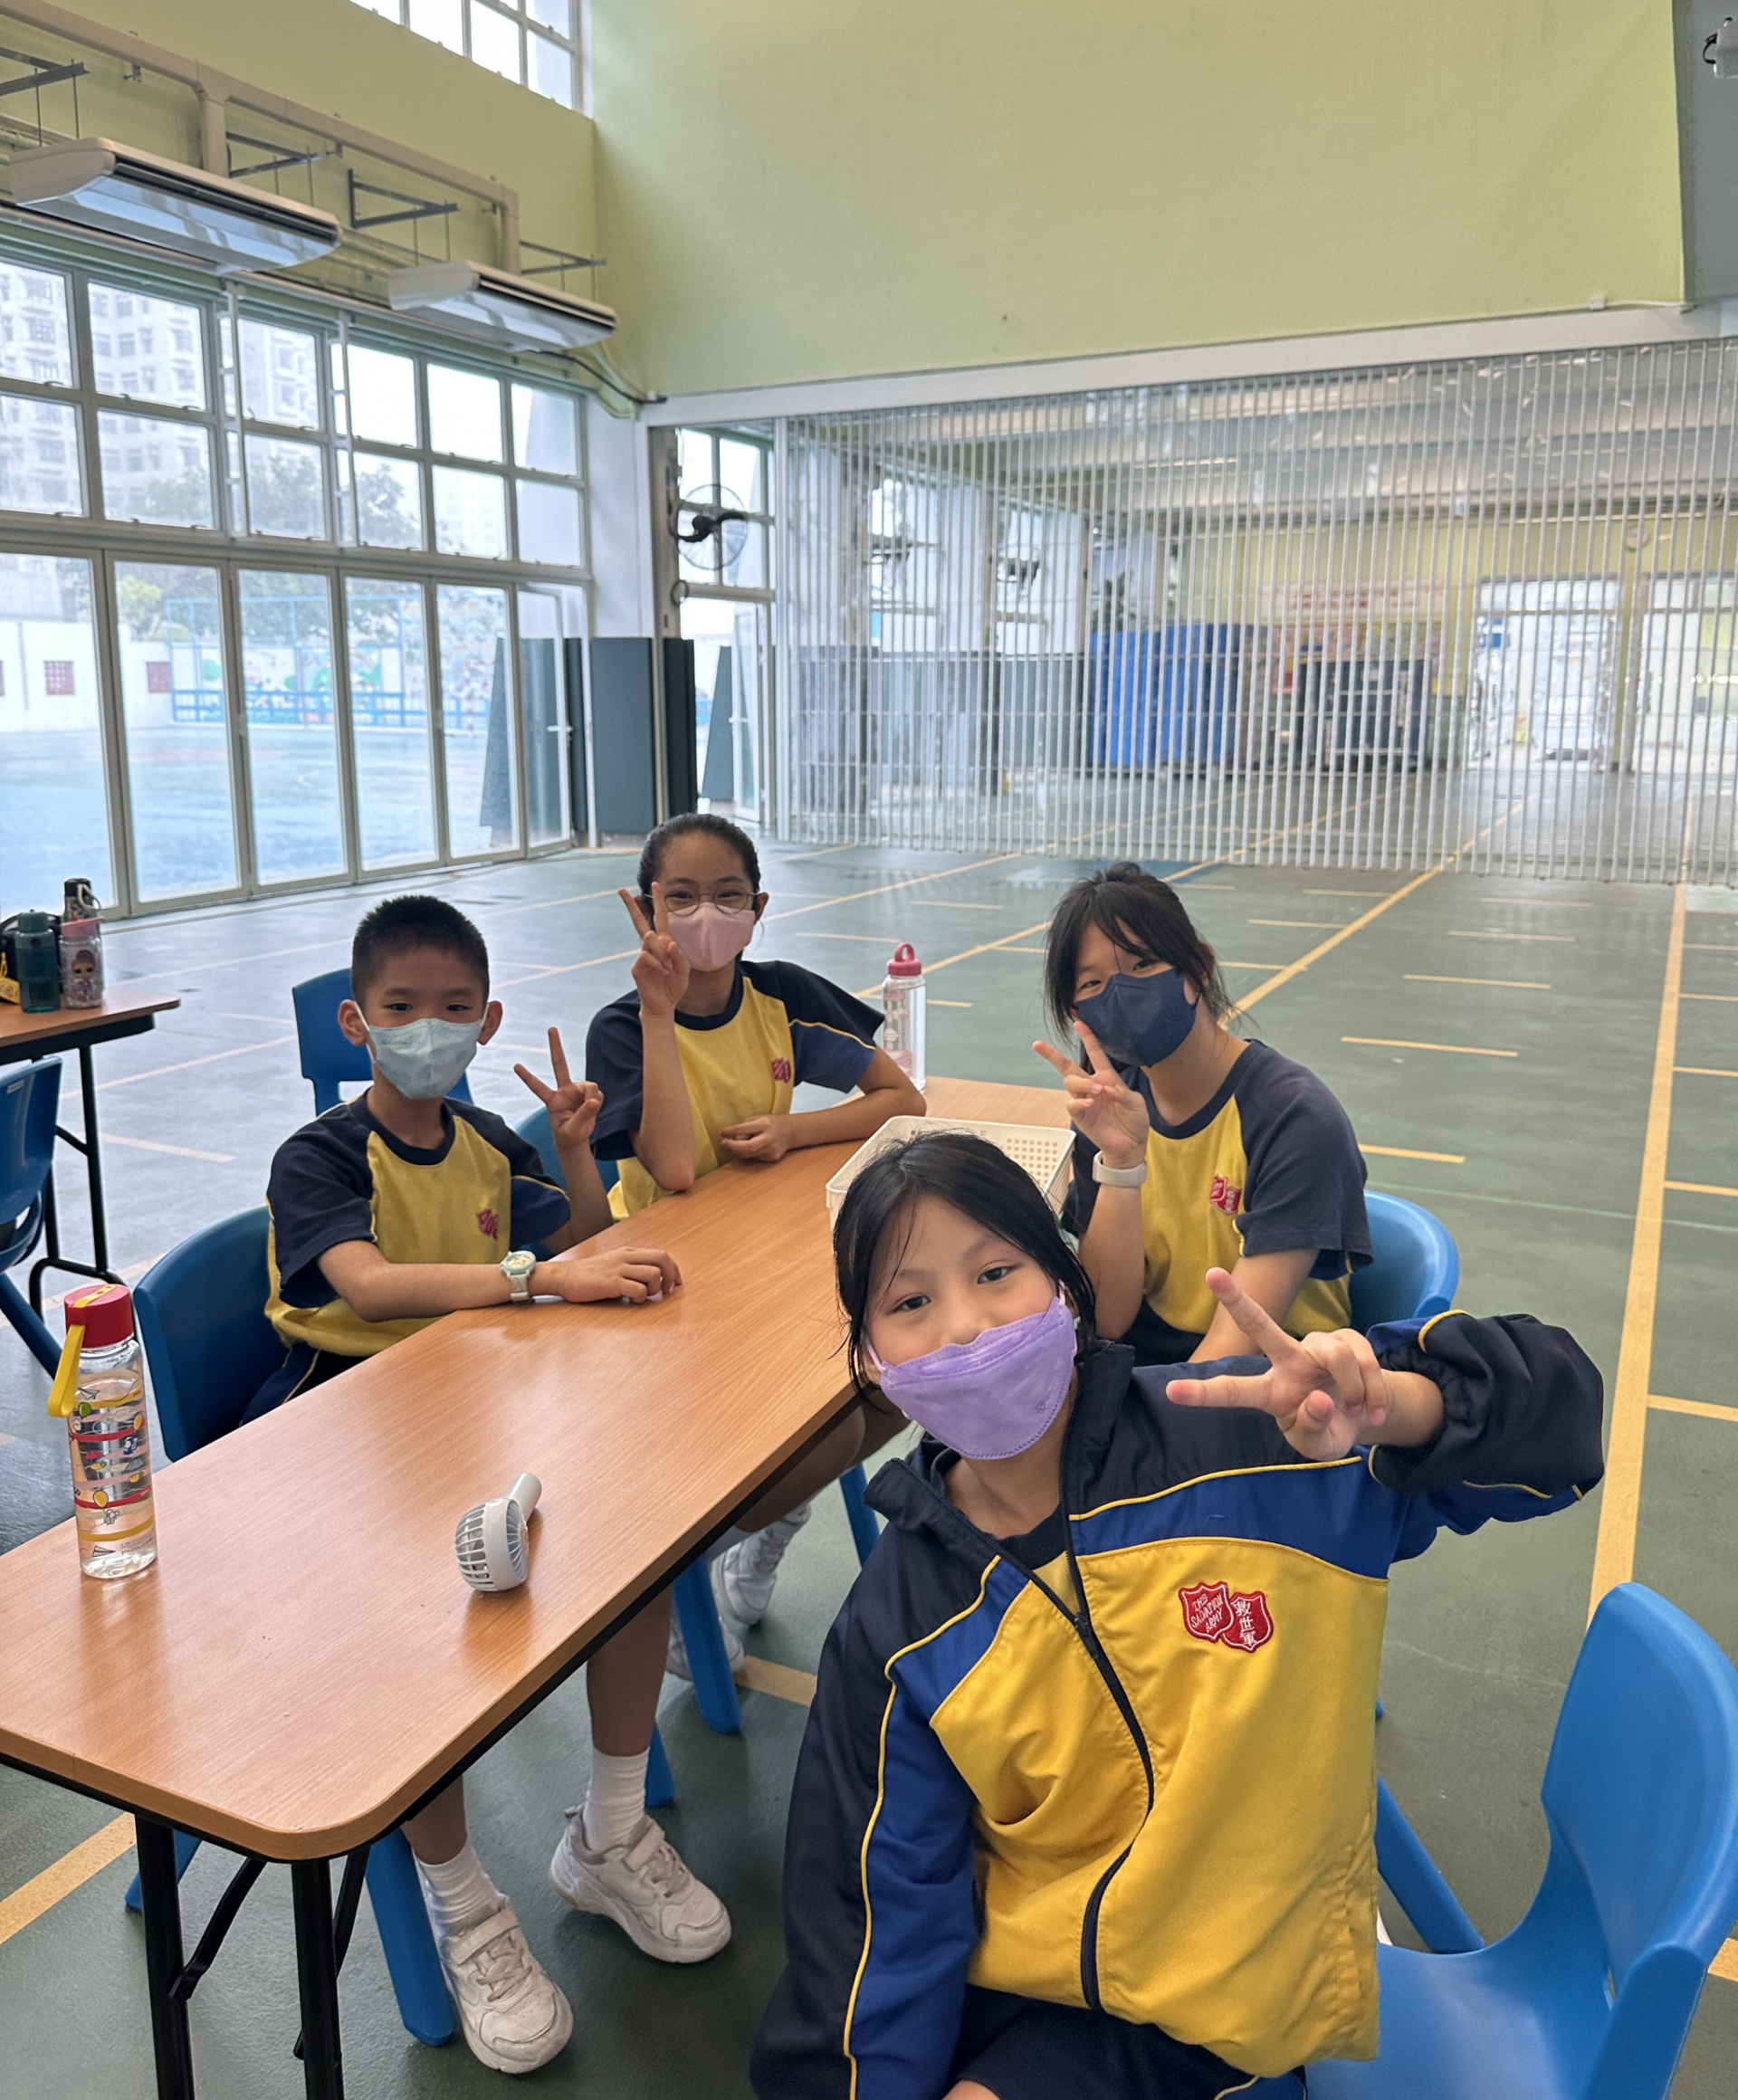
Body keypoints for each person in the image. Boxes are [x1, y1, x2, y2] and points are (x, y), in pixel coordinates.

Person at [751, 1132, 1604, 2100]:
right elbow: (870, 1929)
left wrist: (1395, 1407)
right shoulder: (900, 1622)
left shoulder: (1259, 1445)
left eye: (996, 1272)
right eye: (910, 1303)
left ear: (1066, 1286)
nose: (965, 1328)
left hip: (1228, 2016)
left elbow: (1563, 1431)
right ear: (873, 1364)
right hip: (1042, 2007)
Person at [257, 894, 731, 2077]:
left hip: (477, 1410)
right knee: (422, 1639)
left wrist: (572, 1153)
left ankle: (609, 1832)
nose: (430, 1027)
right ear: (359, 1023)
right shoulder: (320, 1155)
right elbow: (371, 1288)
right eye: (403, 1007)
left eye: (454, 1008)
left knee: (636, 1535)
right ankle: (462, 1901)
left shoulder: (485, 1142)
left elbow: (577, 1247)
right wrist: (536, 1278)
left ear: (489, 1019)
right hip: (341, 1438)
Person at [587, 814, 922, 1643]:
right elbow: (674, 1169)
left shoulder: (781, 997)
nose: (706, 915)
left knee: (900, 1382)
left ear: (758, 906)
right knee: (831, 1429)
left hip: (760, 1253)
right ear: (647, 908)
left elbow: (900, 1099)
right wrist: (659, 1013)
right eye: (682, 898)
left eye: (727, 896)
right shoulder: (622, 1028)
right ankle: (683, 1573)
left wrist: (791, 1130)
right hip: (659, 1280)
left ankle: (761, 1525)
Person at [1034, 861, 1369, 1360]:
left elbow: (1234, 1350)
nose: (1121, 993)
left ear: (1199, 967)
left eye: (1142, 964)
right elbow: (1108, 1319)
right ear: (1077, 1013)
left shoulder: (1295, 1119)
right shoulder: (1107, 1114)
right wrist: (1121, 1163)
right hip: (1148, 1363)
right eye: (1092, 983)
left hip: (1265, 1377)